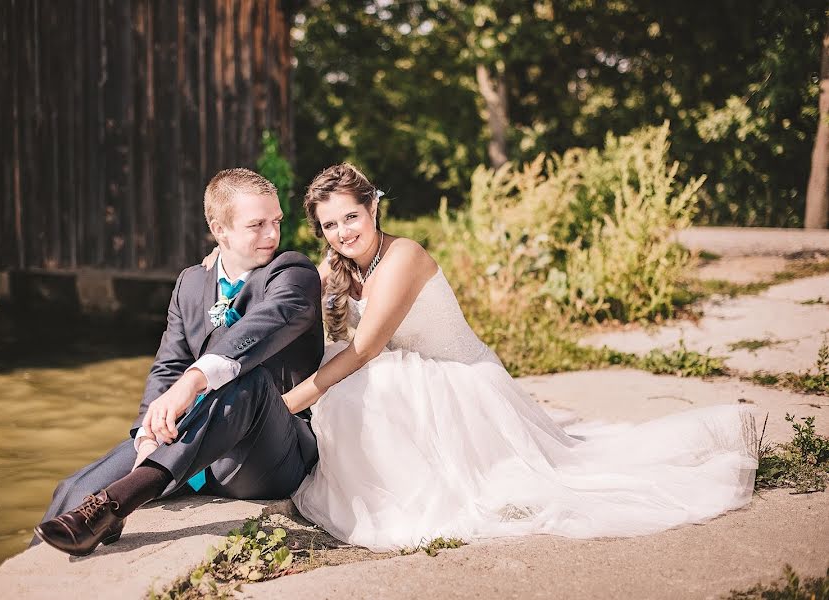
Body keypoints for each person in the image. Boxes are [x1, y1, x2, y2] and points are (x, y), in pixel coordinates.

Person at [282, 163, 758, 551]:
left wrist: (287, 404)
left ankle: (390, 499)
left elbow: (364, 351)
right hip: (416, 378)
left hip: (465, 382)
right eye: (330, 225)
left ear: (373, 206)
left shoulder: (403, 255)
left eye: (351, 217)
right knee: (356, 378)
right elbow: (294, 298)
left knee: (364, 382)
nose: (343, 232)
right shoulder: (343, 261)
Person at [32, 168, 324, 556]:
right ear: (220, 230)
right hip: (189, 443)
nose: (272, 234)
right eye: (257, 225)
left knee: (250, 381)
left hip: (265, 453)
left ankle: (126, 496)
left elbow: (263, 325)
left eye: (276, 222)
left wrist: (193, 380)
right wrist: (147, 434)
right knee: (74, 489)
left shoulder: (293, 273)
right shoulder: (191, 283)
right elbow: (168, 364)